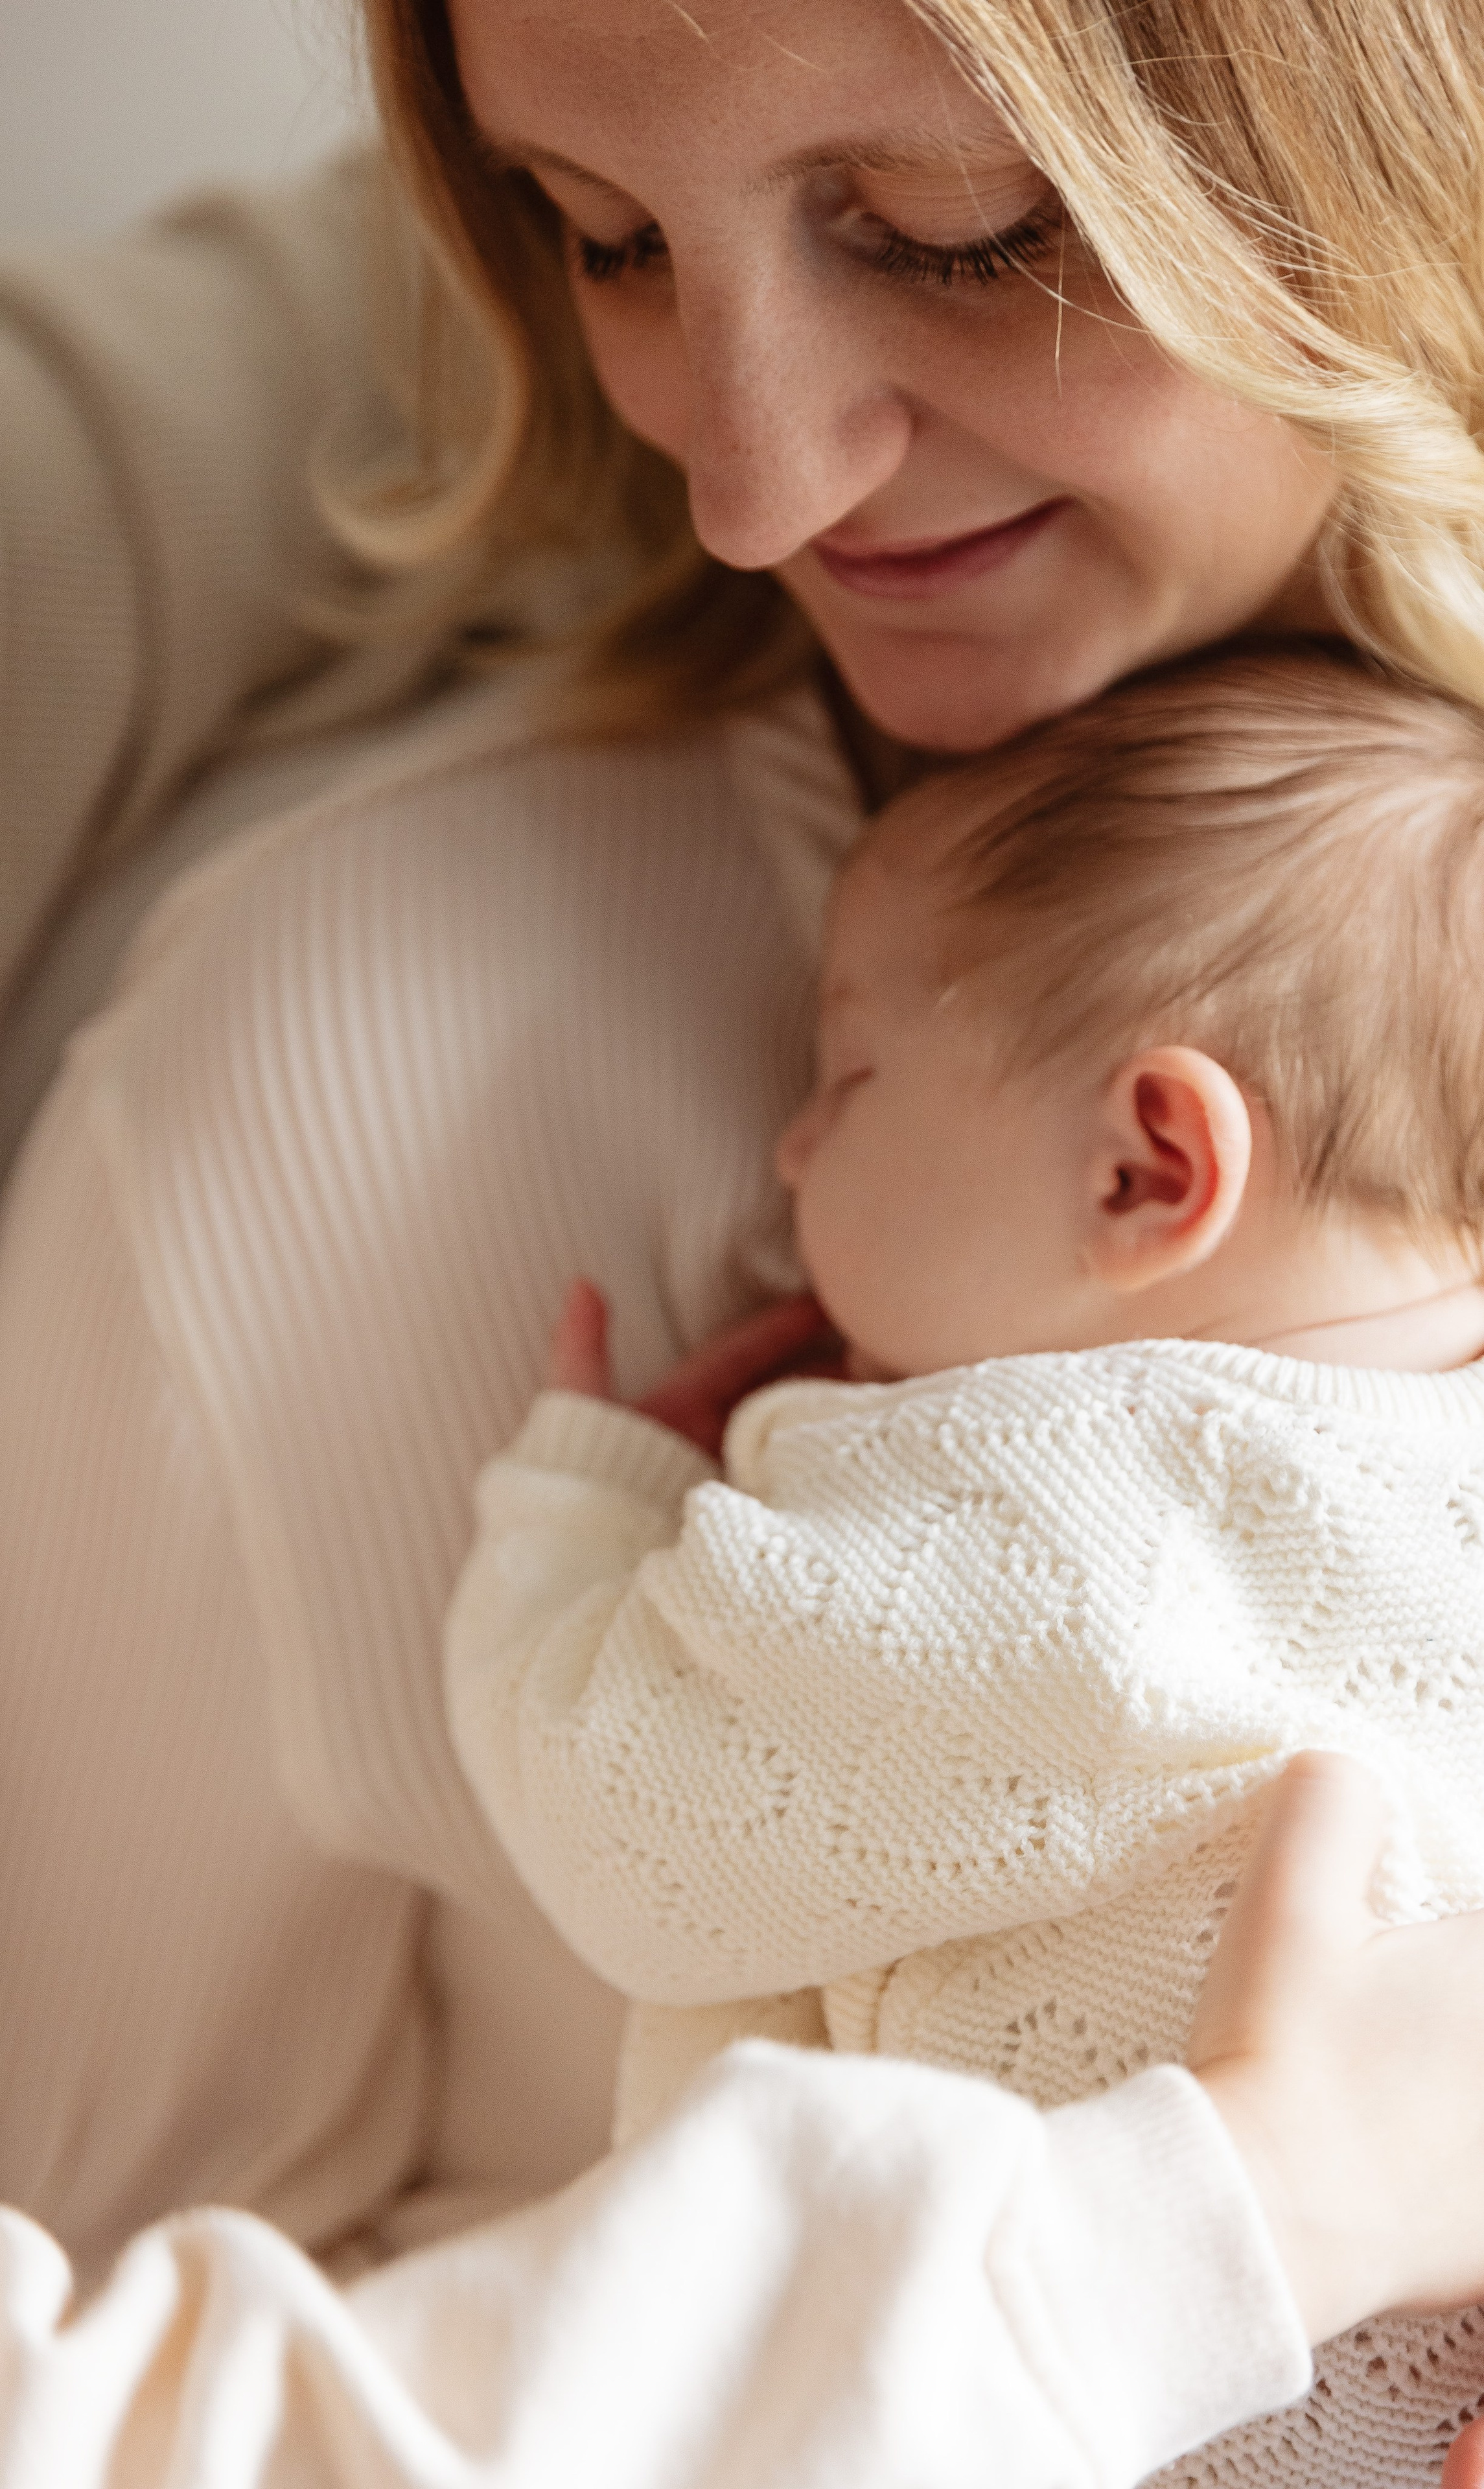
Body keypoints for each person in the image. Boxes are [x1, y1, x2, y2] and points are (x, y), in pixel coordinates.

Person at [0, 0, 1484, 2477]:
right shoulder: (371, 1052)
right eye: (604, 238)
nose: (750, 477)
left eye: (958, 232)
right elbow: (47, 2343)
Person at [448, 644, 1484, 2481]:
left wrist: (587, 1508)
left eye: (848, 1072)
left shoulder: (1043, 1516)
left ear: (1145, 1172)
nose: (788, 1145)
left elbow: (637, 1816)